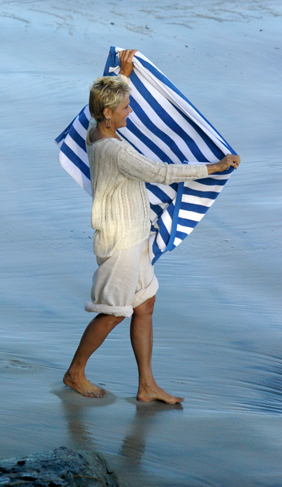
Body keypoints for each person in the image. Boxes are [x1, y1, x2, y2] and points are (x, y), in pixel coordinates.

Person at [63, 49, 241, 404]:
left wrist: (124, 74)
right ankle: (75, 372)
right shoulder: (115, 151)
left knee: (144, 305)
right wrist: (214, 167)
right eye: (126, 108)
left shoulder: (95, 130)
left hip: (135, 236)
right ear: (109, 113)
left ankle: (147, 386)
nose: (132, 111)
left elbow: (107, 103)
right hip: (121, 241)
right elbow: (162, 173)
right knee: (113, 312)